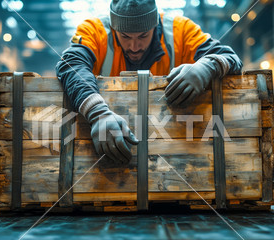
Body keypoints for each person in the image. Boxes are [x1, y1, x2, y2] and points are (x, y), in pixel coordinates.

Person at [56, 0, 242, 164]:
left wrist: (207, 67)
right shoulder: (94, 31)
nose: (134, 47)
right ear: (114, 27)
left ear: (155, 24)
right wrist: (97, 113)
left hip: (173, 150)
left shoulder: (181, 31)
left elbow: (229, 57)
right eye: (125, 36)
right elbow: (70, 64)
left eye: (143, 36)